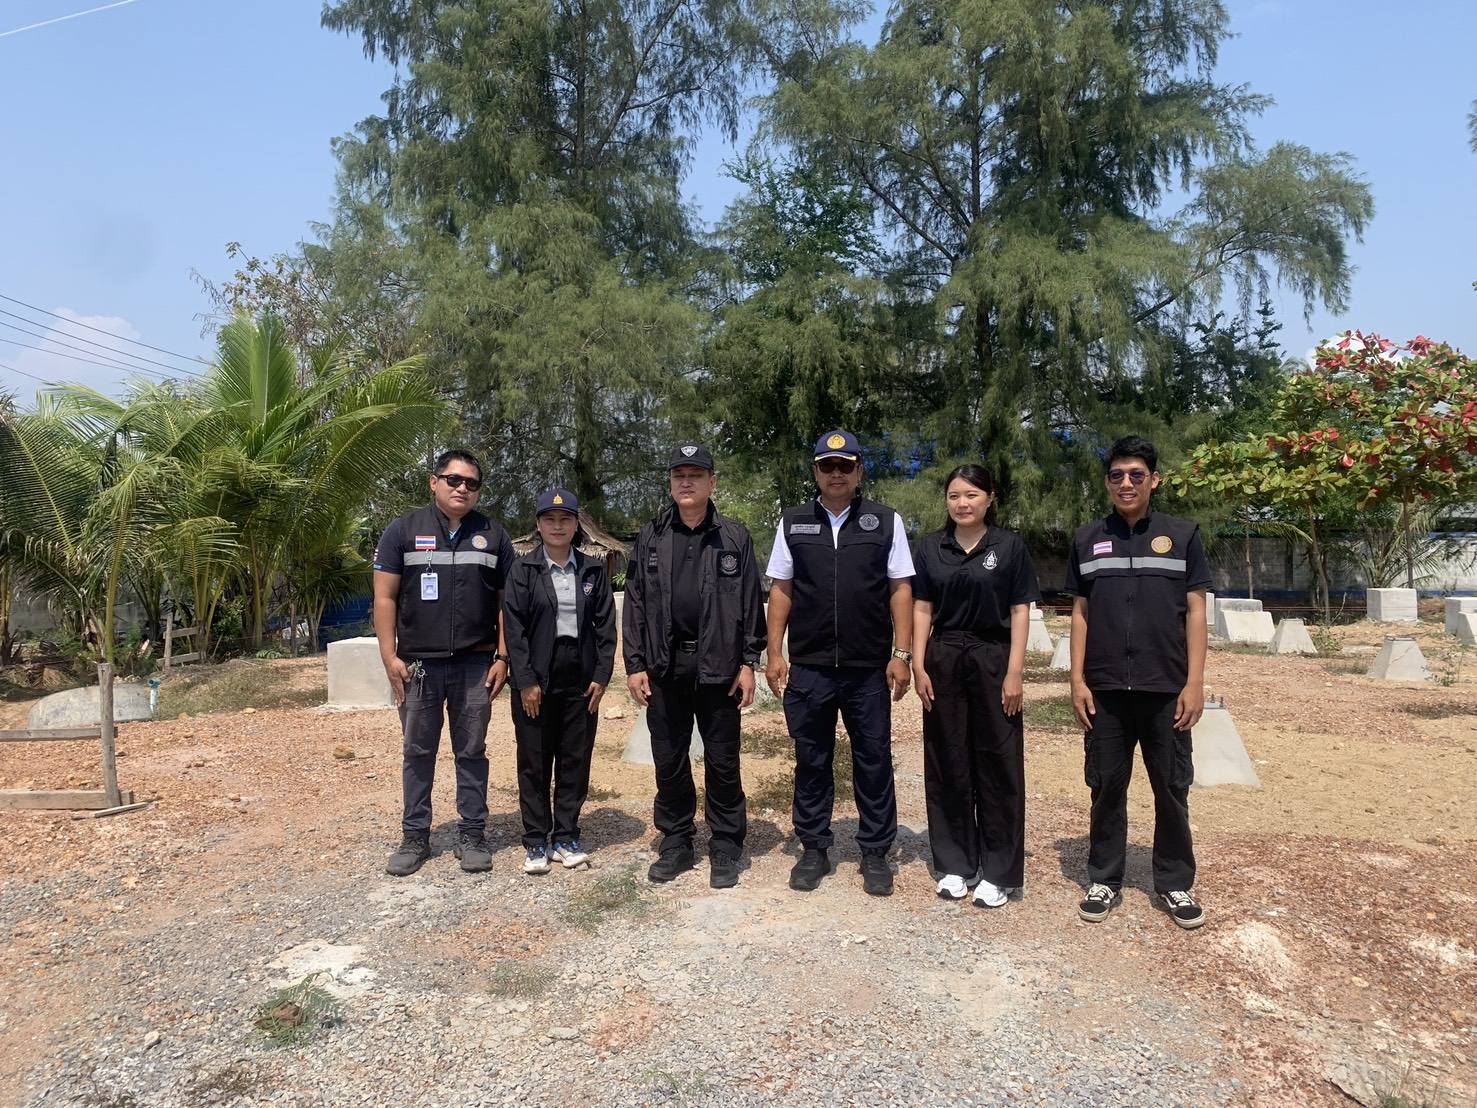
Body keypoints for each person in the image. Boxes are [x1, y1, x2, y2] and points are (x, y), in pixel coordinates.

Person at [1065, 436, 1211, 930]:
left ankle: (1174, 882)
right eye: (1116, 475)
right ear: (1107, 482)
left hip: (1165, 687)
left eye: (1136, 475)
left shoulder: (1183, 535)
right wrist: (1077, 679)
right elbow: (1080, 613)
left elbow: (1196, 611)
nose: (1125, 483)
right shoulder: (1087, 538)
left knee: (1171, 787)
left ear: (1154, 480)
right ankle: (1105, 878)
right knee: (1106, 786)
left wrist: (1194, 682)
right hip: (1104, 689)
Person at [765, 430, 915, 896]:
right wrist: (775, 652)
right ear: (815, 471)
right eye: (827, 466)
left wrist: (902, 653)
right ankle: (814, 848)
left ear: (858, 471)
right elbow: (782, 589)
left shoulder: (885, 521)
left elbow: (900, 588)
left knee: (874, 759)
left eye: (844, 466)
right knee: (812, 759)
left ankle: (875, 851)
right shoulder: (793, 522)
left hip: (867, 667)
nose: (836, 473)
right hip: (810, 666)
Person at [623, 443, 766, 889]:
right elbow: (635, 602)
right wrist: (634, 663)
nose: (686, 482)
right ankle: (677, 842)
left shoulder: (734, 537)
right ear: (670, 482)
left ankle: (725, 845)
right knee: (669, 759)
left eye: (696, 475)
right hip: (664, 666)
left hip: (720, 667)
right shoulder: (651, 535)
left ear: (712, 482)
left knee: (722, 761)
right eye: (679, 475)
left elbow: (751, 602)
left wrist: (749, 661)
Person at [373, 449, 516, 877]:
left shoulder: (493, 534)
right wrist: (389, 657)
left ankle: (472, 834)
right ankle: (415, 836)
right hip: (418, 667)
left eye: (471, 483)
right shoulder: (402, 531)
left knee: (471, 752)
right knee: (418, 752)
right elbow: (384, 598)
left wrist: (503, 656)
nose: (462, 488)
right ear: (434, 482)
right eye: (454, 480)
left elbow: (507, 603)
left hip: (476, 665)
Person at [912, 464, 1040, 908]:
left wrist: (1015, 671)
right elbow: (922, 607)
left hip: (993, 658)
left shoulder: (1009, 547)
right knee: (947, 759)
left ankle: (999, 870)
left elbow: (1020, 609)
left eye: (971, 495)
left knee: (999, 762)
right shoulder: (931, 547)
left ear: (990, 498)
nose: (962, 504)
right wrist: (918, 663)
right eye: (954, 496)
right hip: (944, 657)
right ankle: (956, 864)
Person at [502, 488, 617, 875]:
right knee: (534, 761)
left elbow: (606, 627)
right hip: (536, 676)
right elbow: (514, 629)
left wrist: (601, 675)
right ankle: (536, 840)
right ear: (538, 525)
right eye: (549, 519)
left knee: (575, 759)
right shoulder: (523, 570)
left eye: (564, 519)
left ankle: (566, 836)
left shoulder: (591, 570)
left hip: (579, 676)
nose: (557, 526)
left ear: (575, 525)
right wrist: (525, 680)